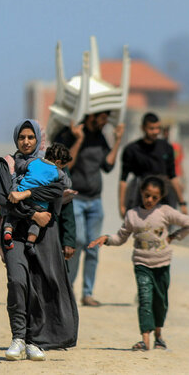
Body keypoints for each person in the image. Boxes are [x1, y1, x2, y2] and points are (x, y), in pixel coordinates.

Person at [0, 119, 78, 361]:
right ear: (16, 139)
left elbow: (59, 191)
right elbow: (6, 201)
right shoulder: (6, 164)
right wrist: (33, 213)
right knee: (17, 282)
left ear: (38, 140)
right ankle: (17, 337)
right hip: (14, 234)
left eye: (31, 137)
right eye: (22, 137)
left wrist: (27, 195)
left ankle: (33, 340)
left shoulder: (47, 165)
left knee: (38, 287)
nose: (26, 142)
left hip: (43, 237)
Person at [89, 176, 189, 351]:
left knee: (160, 302)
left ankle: (158, 336)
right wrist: (107, 239)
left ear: (160, 197)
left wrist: (174, 236)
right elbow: (121, 237)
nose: (149, 200)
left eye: (154, 197)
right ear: (141, 192)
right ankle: (145, 339)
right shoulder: (132, 215)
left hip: (162, 264)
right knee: (145, 299)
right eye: (147, 195)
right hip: (141, 264)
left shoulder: (165, 212)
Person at [53, 111, 124, 307]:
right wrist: (79, 140)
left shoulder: (100, 137)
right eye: (103, 117)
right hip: (74, 199)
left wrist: (117, 141)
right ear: (92, 115)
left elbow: (108, 166)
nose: (105, 121)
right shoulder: (70, 134)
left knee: (93, 247)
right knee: (77, 241)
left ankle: (88, 293)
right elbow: (65, 165)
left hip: (95, 201)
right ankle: (67, 287)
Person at [2, 143, 72, 256]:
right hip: (39, 204)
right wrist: (62, 174)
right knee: (37, 223)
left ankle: (8, 231)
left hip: (20, 196)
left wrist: (19, 156)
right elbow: (67, 184)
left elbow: (20, 166)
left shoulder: (34, 161)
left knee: (12, 216)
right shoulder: (57, 171)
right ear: (58, 162)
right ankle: (30, 243)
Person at [119, 112, 188, 218]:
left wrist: (182, 203)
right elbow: (123, 180)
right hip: (140, 197)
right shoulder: (131, 150)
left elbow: (173, 176)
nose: (155, 132)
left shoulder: (166, 148)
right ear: (143, 128)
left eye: (158, 128)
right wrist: (122, 205)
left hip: (164, 196)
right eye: (151, 128)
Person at [162, 124, 185, 193]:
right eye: (165, 132)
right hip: (163, 178)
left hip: (176, 177)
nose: (167, 134)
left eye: (168, 132)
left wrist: (183, 180)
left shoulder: (177, 147)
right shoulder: (159, 146)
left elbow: (180, 163)